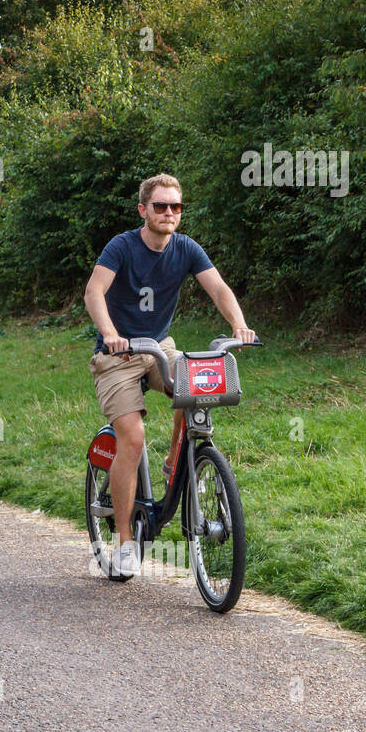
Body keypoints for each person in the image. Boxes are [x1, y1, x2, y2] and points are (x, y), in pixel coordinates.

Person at [83, 173, 256, 577]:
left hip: (158, 347)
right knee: (133, 436)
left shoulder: (186, 248)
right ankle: (125, 541)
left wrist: (239, 325)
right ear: (143, 210)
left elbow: (218, 288)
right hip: (119, 354)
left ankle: (176, 462)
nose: (168, 213)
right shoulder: (122, 246)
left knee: (197, 387)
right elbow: (94, 291)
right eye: (160, 206)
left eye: (175, 206)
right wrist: (110, 334)